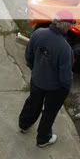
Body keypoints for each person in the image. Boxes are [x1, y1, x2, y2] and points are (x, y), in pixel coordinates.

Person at [18, 11, 75, 148]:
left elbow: (29, 56)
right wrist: (66, 88)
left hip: (37, 80)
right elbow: (65, 76)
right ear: (66, 26)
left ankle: (24, 124)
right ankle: (43, 138)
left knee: (33, 102)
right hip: (55, 88)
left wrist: (35, 69)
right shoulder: (65, 48)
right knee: (49, 112)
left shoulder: (38, 34)